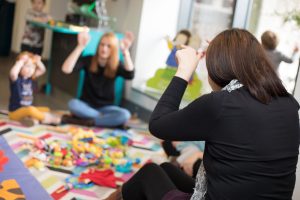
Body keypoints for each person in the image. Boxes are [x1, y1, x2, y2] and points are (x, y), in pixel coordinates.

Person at [111, 29, 299, 200]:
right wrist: (221, 50)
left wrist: (184, 71)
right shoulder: (288, 104)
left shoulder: (222, 104)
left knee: (149, 174)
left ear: (218, 68)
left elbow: (157, 124)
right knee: (166, 169)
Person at [61, 30, 135, 127]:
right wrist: (80, 47)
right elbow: (66, 69)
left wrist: (125, 52)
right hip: (86, 106)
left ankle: (86, 121)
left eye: (108, 46)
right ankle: (104, 120)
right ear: (98, 46)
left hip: (107, 108)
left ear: (113, 49)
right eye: (102, 44)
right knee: (73, 104)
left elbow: (130, 75)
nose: (104, 49)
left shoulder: (116, 65)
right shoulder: (89, 60)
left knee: (125, 114)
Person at [8, 52, 60, 126]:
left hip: (27, 110)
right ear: (20, 67)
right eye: (27, 66)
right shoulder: (17, 80)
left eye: (33, 67)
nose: (30, 70)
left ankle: (31, 120)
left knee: (46, 109)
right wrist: (20, 62)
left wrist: (38, 62)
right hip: (15, 112)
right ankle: (47, 119)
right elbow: (13, 73)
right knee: (31, 110)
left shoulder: (31, 79)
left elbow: (43, 70)